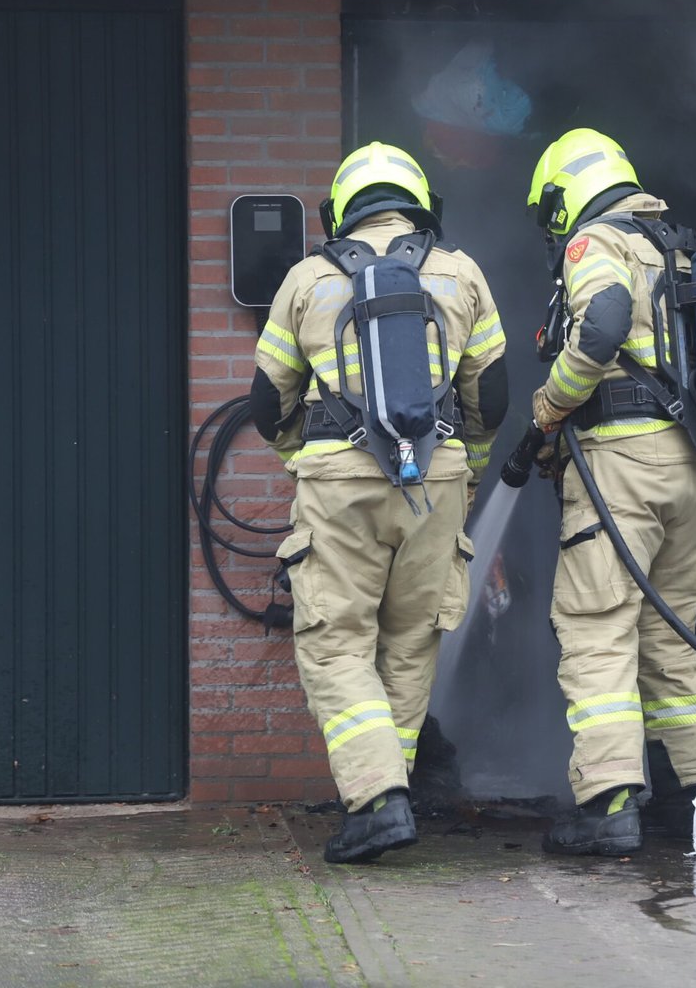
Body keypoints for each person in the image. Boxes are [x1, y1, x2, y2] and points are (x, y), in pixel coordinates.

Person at [251, 142, 508, 863]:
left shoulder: (307, 278)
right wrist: (466, 476)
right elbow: (489, 399)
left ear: (341, 210)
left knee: (336, 644)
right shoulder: (462, 275)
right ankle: (382, 797)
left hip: (339, 485)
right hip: (437, 486)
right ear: (419, 204)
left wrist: (306, 459)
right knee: (407, 644)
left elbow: (267, 401)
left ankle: (376, 800)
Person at [526, 128, 696, 855]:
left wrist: (551, 403)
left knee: (596, 627)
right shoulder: (673, 247)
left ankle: (608, 805)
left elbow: (603, 322)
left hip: (620, 464)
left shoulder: (595, 244)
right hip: (687, 466)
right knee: (672, 637)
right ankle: (695, 801)